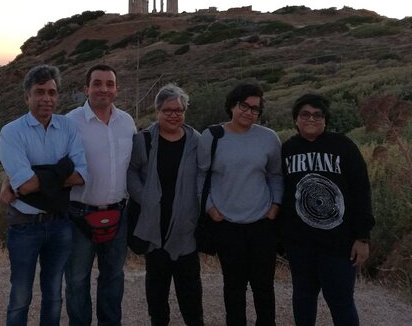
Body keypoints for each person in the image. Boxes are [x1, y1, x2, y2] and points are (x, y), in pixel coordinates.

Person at [0, 65, 87, 326]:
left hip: (60, 224)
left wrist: (39, 177)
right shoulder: (11, 132)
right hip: (24, 226)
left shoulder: (68, 127)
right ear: (27, 97)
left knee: (54, 296)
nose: (47, 98)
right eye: (39, 92)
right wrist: (60, 171)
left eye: (52, 92)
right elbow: (24, 185)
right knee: (20, 296)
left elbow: (81, 175)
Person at [280, 94, 375, 326]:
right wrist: (282, 238)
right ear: (296, 119)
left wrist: (362, 237)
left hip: (339, 243)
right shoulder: (287, 149)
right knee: (303, 298)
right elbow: (281, 193)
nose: (311, 118)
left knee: (341, 301)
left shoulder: (343, 146)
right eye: (305, 114)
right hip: (300, 244)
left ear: (325, 119)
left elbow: (362, 191)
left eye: (317, 114)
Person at [197, 83, 283, 326]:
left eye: (255, 109)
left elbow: (276, 175)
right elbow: (201, 175)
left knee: (264, 286)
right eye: (244, 106)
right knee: (233, 287)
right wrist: (210, 209)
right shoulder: (212, 136)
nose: (249, 112)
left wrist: (275, 205)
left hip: (262, 224)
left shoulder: (268, 138)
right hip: (227, 224)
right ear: (232, 106)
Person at [64, 64, 136, 326]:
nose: (103, 89)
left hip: (118, 213)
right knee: (76, 280)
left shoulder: (127, 122)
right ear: (86, 89)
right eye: (97, 83)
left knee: (113, 277)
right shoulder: (69, 122)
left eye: (109, 84)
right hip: (78, 216)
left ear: (116, 90)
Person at [128, 84, 204, 326]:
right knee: (157, 299)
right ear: (158, 111)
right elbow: (131, 172)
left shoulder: (196, 141)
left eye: (179, 110)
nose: (174, 115)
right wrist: (145, 198)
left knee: (191, 298)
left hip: (186, 230)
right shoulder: (144, 141)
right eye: (168, 110)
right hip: (154, 232)